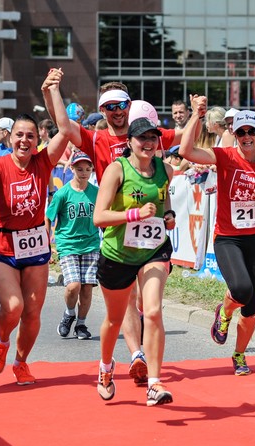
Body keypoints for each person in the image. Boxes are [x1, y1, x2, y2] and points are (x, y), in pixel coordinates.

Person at [43, 81, 181, 385]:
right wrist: (51, 90)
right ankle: (135, 355)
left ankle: (147, 362)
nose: (117, 112)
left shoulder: (147, 133)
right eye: (110, 107)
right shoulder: (96, 139)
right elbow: (64, 125)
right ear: (102, 110)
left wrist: (197, 115)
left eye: (121, 106)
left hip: (152, 232)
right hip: (117, 226)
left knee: (149, 304)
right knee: (127, 300)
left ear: (129, 106)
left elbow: (183, 139)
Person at [0, 68, 74, 386]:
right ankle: (2, 341)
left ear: (38, 140)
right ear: (10, 138)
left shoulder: (43, 162)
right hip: (3, 244)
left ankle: (21, 361)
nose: (24, 140)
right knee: (13, 308)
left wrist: (53, 90)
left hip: (36, 246)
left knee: (32, 311)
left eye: (31, 135)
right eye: (19, 135)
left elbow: (66, 130)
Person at [179, 100, 255, 377]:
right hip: (228, 238)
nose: (247, 137)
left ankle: (239, 354)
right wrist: (196, 117)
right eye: (241, 133)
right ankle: (223, 313)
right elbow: (186, 151)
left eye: (252, 132)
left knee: (253, 303)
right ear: (234, 134)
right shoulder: (224, 156)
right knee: (242, 288)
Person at [92, 116, 176, 406]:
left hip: (154, 249)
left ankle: (155, 383)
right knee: (114, 320)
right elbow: (99, 217)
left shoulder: (165, 170)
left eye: (153, 138)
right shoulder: (117, 170)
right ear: (129, 142)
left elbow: (165, 205)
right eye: (142, 138)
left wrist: (168, 217)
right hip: (118, 254)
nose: (148, 143)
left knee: (152, 311)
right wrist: (133, 215)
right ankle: (105, 368)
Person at [45, 151, 100, 341]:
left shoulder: (96, 192)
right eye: (79, 169)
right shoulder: (62, 193)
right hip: (68, 244)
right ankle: (69, 314)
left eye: (87, 169)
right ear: (72, 168)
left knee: (86, 288)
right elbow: (49, 216)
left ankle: (81, 323)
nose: (83, 172)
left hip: (91, 244)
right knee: (73, 286)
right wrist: (46, 243)